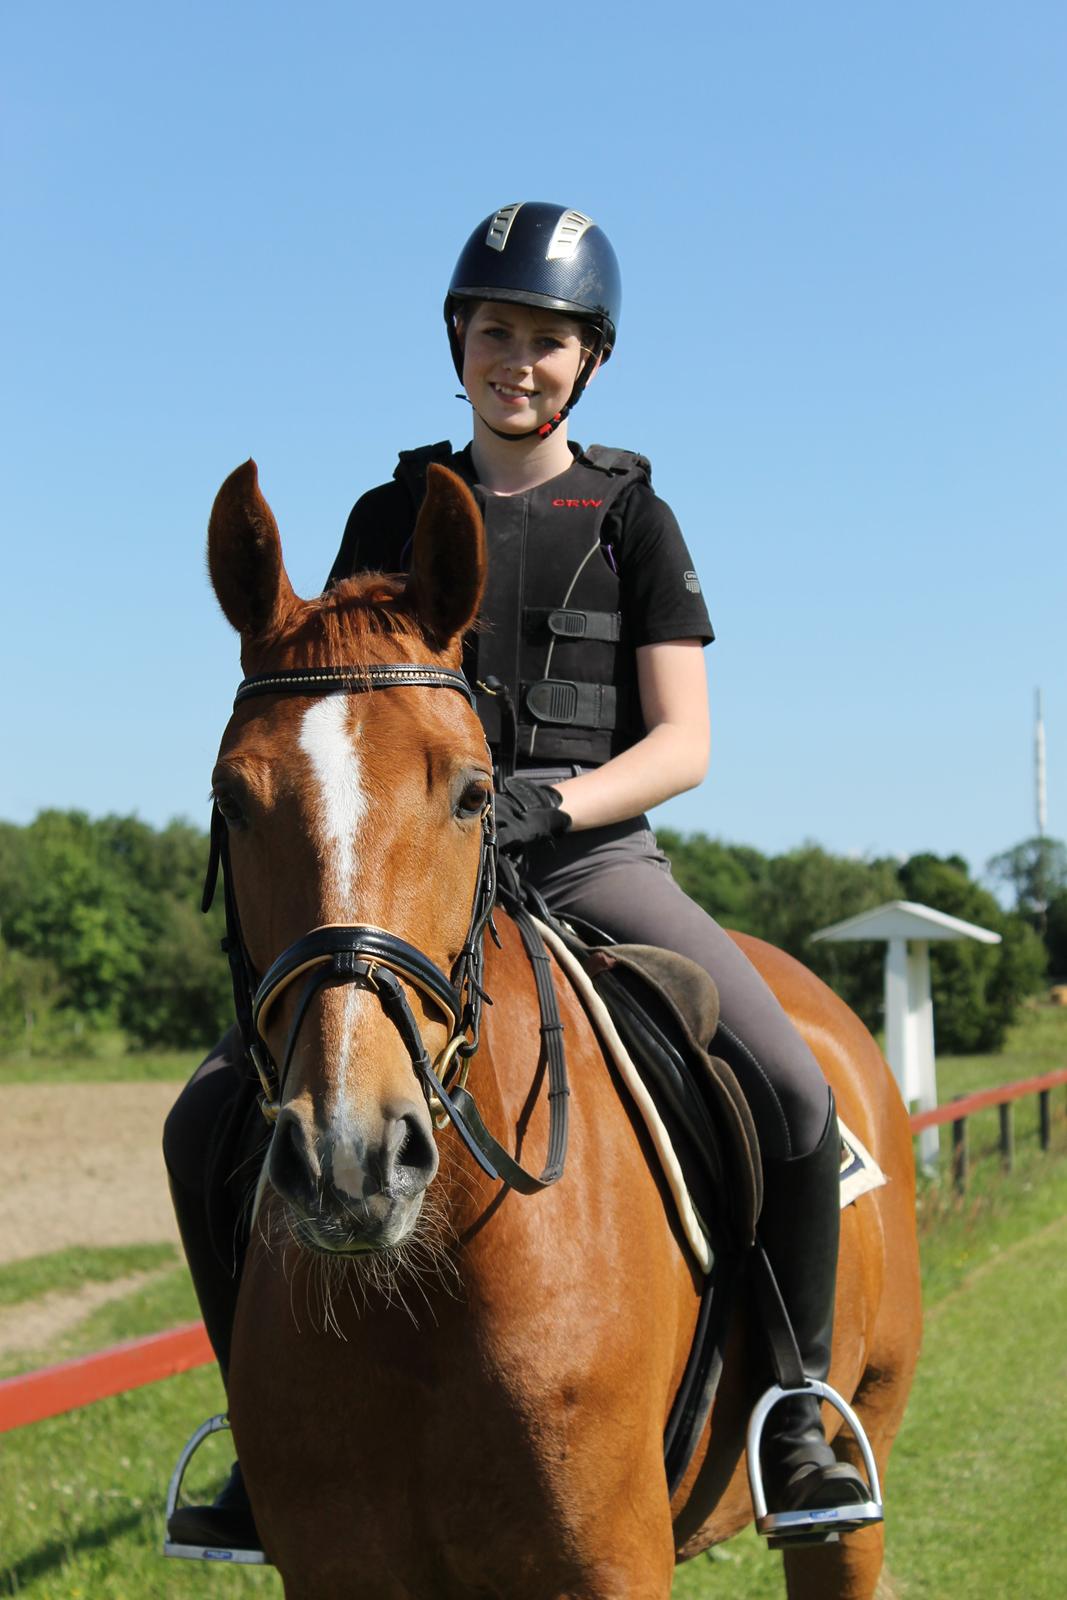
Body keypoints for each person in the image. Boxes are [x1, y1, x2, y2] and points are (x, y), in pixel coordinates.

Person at [164, 200, 870, 1554]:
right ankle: (260, 1432)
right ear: (459, 341)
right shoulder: (395, 504)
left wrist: (555, 802)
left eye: (548, 341)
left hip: (593, 855)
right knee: (206, 1120)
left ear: (589, 359)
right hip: (419, 869)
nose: (520, 362)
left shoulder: (636, 518)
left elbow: (688, 741)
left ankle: (796, 1403)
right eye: (497, 332)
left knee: (783, 1077)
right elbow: (339, 702)